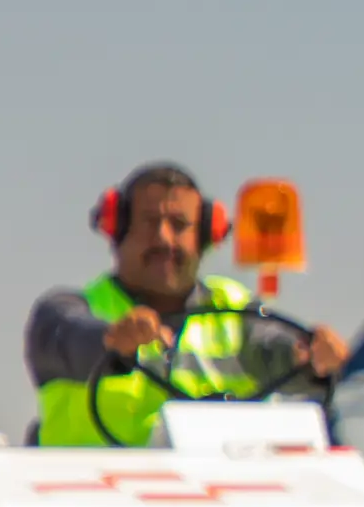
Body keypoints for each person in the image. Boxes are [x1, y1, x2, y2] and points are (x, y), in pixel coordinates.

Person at [26, 162, 345, 447]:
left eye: (179, 225)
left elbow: (271, 348)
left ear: (206, 235)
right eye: (150, 223)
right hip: (86, 501)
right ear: (117, 229)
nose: (164, 238)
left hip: (213, 500)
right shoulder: (67, 312)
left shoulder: (234, 310)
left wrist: (308, 357)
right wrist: (111, 340)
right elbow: (66, 339)